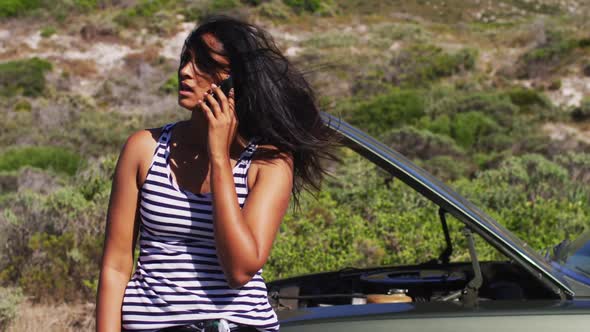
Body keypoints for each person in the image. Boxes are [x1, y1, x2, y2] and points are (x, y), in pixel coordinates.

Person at [95, 14, 338, 332]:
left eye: (204, 64)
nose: (185, 72)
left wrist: (219, 157)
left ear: (236, 80)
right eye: (186, 60)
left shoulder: (269, 163)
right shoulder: (144, 149)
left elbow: (239, 269)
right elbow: (115, 265)